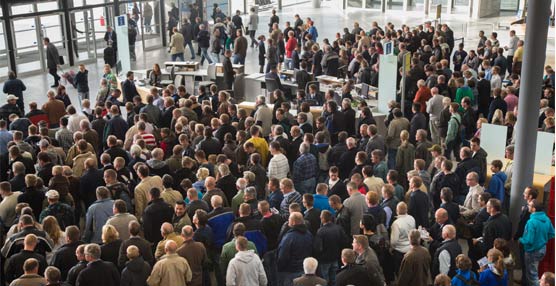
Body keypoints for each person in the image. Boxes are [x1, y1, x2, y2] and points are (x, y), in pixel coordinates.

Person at [519, 200, 555, 286]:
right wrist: (542, 240)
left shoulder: (531, 222)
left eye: (529, 205)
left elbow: (529, 240)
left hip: (532, 251)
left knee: (532, 276)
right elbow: (552, 233)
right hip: (542, 248)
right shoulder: (546, 219)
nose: (527, 207)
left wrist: (520, 239)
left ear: (534, 209)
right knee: (534, 271)